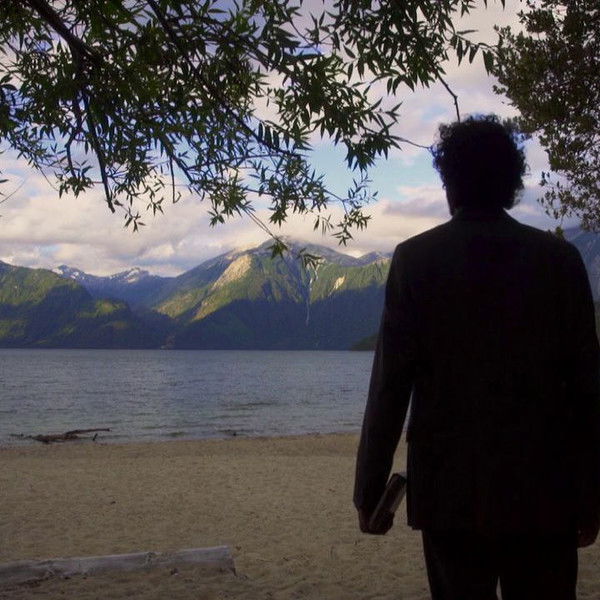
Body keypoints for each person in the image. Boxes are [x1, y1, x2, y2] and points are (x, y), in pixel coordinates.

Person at [353, 114, 600, 599]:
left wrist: (369, 491)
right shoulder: (559, 260)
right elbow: (589, 389)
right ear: (511, 183)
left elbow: (389, 387)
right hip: (545, 490)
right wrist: (590, 495)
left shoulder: (415, 260)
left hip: (451, 493)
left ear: (450, 184)